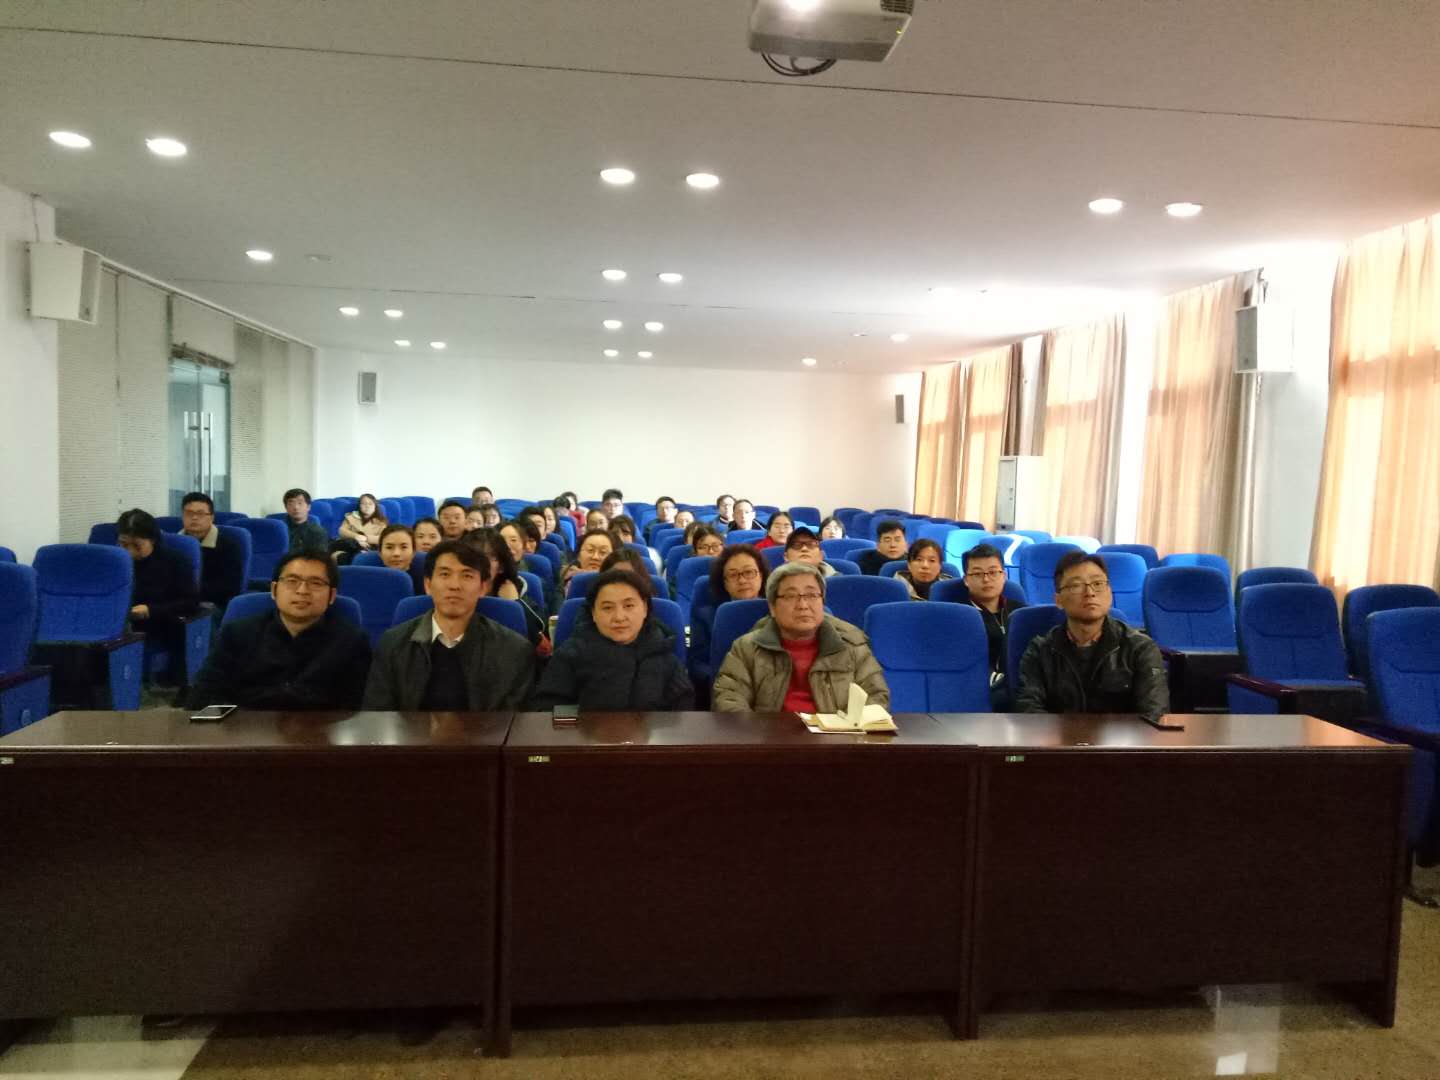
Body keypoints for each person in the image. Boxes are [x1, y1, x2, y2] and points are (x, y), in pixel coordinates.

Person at [362, 540, 535, 710]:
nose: (454, 585)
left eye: (467, 576)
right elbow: (377, 715)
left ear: (483, 588)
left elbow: (512, 723)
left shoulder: (513, 651)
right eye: (445, 574)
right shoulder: (393, 644)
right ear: (428, 585)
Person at [186, 551, 371, 710]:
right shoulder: (237, 634)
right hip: (247, 731)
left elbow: (356, 707)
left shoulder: (352, 641)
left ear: (332, 595)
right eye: (292, 581)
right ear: (274, 590)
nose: (302, 590)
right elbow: (203, 695)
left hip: (320, 735)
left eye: (315, 583)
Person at [712, 562, 890, 713]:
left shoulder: (853, 646)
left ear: (822, 602)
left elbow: (876, 697)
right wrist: (756, 737)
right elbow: (729, 699)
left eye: (812, 595)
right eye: (791, 596)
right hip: (769, 739)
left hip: (838, 739)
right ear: (773, 607)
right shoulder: (747, 648)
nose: (803, 605)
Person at [1015, 551, 1169, 722]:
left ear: (1109, 593)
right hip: (1057, 738)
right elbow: (1029, 710)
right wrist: (1068, 736)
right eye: (1076, 585)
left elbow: (1153, 713)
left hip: (1121, 739)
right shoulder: (1040, 651)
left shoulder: (1140, 649)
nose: (1089, 592)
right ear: (1058, 600)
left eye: (1098, 583)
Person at [530, 570, 693, 711]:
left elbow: (682, 714)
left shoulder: (663, 652)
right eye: (607, 608)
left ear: (645, 608)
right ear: (593, 613)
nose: (619, 617)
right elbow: (547, 708)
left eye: (628, 606)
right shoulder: (571, 654)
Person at [117, 509, 201, 662]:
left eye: (137, 545)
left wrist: (150, 610)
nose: (129, 552)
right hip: (119, 626)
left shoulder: (175, 561)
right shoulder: (115, 562)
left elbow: (191, 602)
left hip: (158, 626)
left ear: (152, 540)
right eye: (123, 544)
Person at [960, 543, 1027, 706]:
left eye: (993, 572)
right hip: (978, 690)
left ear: (1004, 575)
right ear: (966, 580)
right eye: (977, 574)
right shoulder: (960, 616)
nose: (986, 579)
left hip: (1023, 688)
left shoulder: (1022, 612)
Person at [690, 543, 770, 675]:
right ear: (725, 583)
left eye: (749, 572)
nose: (742, 580)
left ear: (761, 576)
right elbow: (697, 663)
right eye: (733, 575)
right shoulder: (706, 616)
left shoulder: (777, 609)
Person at [466, 528, 549, 650]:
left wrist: (514, 604)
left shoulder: (518, 592)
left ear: (501, 566)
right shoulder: (452, 593)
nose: (477, 564)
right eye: (470, 557)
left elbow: (544, 646)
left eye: (487, 557)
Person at [179, 491, 246, 608]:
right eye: (189, 513)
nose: (194, 518)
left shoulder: (228, 546)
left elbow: (230, 587)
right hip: (174, 602)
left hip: (211, 605)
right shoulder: (173, 544)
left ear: (211, 518)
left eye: (200, 514)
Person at [333, 493, 388, 564]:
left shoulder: (381, 522)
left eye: (370, 504)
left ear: (375, 506)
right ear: (360, 506)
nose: (367, 506)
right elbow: (342, 531)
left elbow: (383, 538)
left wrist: (365, 538)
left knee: (345, 557)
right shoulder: (351, 517)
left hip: (368, 548)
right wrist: (356, 537)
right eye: (363, 503)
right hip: (349, 544)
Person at [378, 523, 424, 594]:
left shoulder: (425, 582)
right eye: (389, 547)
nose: (396, 553)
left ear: (414, 552)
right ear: (380, 552)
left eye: (404, 547)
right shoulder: (371, 580)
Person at [282, 488, 328, 552]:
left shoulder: (317, 531)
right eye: (291, 504)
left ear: (308, 507)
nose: (296, 507)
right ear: (286, 508)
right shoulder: (280, 530)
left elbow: (319, 555)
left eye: (300, 503)